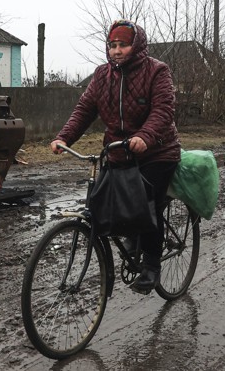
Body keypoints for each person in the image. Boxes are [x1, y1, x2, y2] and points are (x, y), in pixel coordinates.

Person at [50, 20, 181, 293]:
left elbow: (163, 110)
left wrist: (144, 137)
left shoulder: (157, 71)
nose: (117, 50)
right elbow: (85, 109)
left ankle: (152, 266)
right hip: (119, 151)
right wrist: (64, 137)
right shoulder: (101, 75)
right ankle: (133, 235)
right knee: (108, 203)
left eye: (124, 44)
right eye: (113, 45)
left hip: (157, 152)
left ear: (137, 46)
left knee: (146, 205)